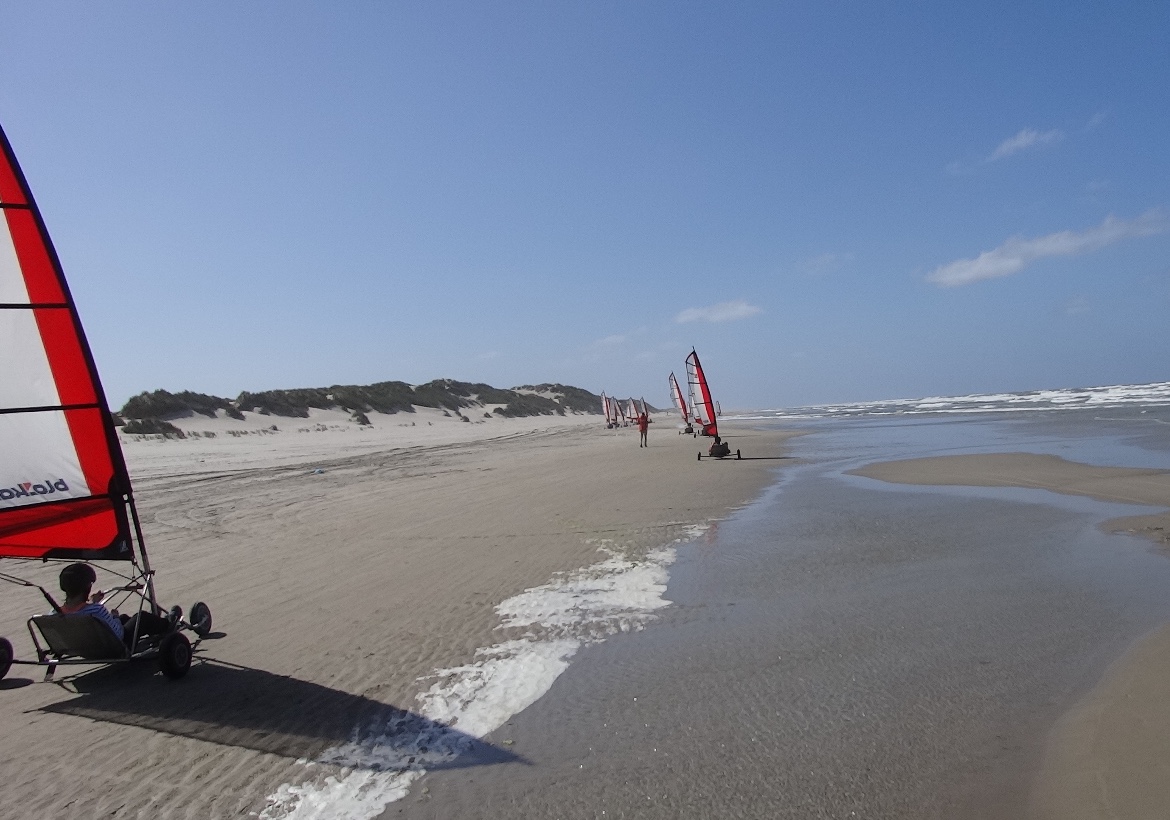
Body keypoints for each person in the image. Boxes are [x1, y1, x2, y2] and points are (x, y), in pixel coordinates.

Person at [57, 563, 177, 648]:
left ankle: (155, 626)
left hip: (82, 645)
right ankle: (168, 624)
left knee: (124, 618)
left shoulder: (55, 613)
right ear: (87, 587)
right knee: (141, 617)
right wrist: (114, 616)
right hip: (114, 646)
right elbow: (119, 633)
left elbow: (81, 611)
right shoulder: (96, 610)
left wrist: (93, 603)